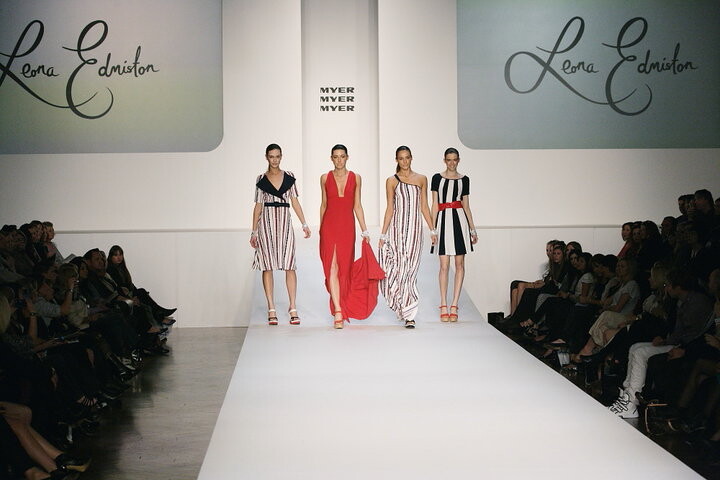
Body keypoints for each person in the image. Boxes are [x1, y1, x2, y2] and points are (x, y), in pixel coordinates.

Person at [320, 144, 381, 329]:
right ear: (331, 158)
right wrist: (321, 229)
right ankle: (338, 311)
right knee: (331, 266)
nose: (339, 160)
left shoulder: (356, 178)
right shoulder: (325, 178)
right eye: (336, 156)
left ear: (347, 157)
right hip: (329, 226)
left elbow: (357, 205)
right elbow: (324, 204)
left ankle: (342, 302)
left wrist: (364, 230)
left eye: (342, 156)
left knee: (344, 269)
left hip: (347, 227)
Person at [250, 144, 311, 325]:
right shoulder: (261, 179)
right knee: (267, 265)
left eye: (277, 156)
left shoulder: (289, 177)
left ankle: (293, 307)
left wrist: (304, 223)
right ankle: (271, 307)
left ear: (281, 157)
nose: (274, 160)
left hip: (285, 224)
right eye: (271, 156)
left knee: (289, 264)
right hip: (266, 225)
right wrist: (253, 231)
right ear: (266, 157)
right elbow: (258, 206)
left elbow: (295, 202)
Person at [379, 146, 437, 328]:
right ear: (396, 160)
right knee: (400, 269)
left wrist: (432, 230)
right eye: (401, 158)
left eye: (407, 158)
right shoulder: (391, 181)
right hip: (397, 231)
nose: (404, 161)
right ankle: (409, 314)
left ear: (411, 158)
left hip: (415, 231)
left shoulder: (421, 179)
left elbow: (424, 206)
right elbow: (390, 208)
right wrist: (383, 233)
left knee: (411, 270)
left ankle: (407, 308)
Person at [429, 147, 477, 322]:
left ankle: (454, 304)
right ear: (444, 160)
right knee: (444, 265)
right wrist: (433, 229)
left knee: (459, 264)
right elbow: (434, 204)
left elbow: (466, 206)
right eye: (449, 160)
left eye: (454, 159)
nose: (452, 163)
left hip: (459, 222)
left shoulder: (464, 180)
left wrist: (472, 229)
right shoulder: (437, 178)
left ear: (458, 160)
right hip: (442, 222)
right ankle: (443, 303)